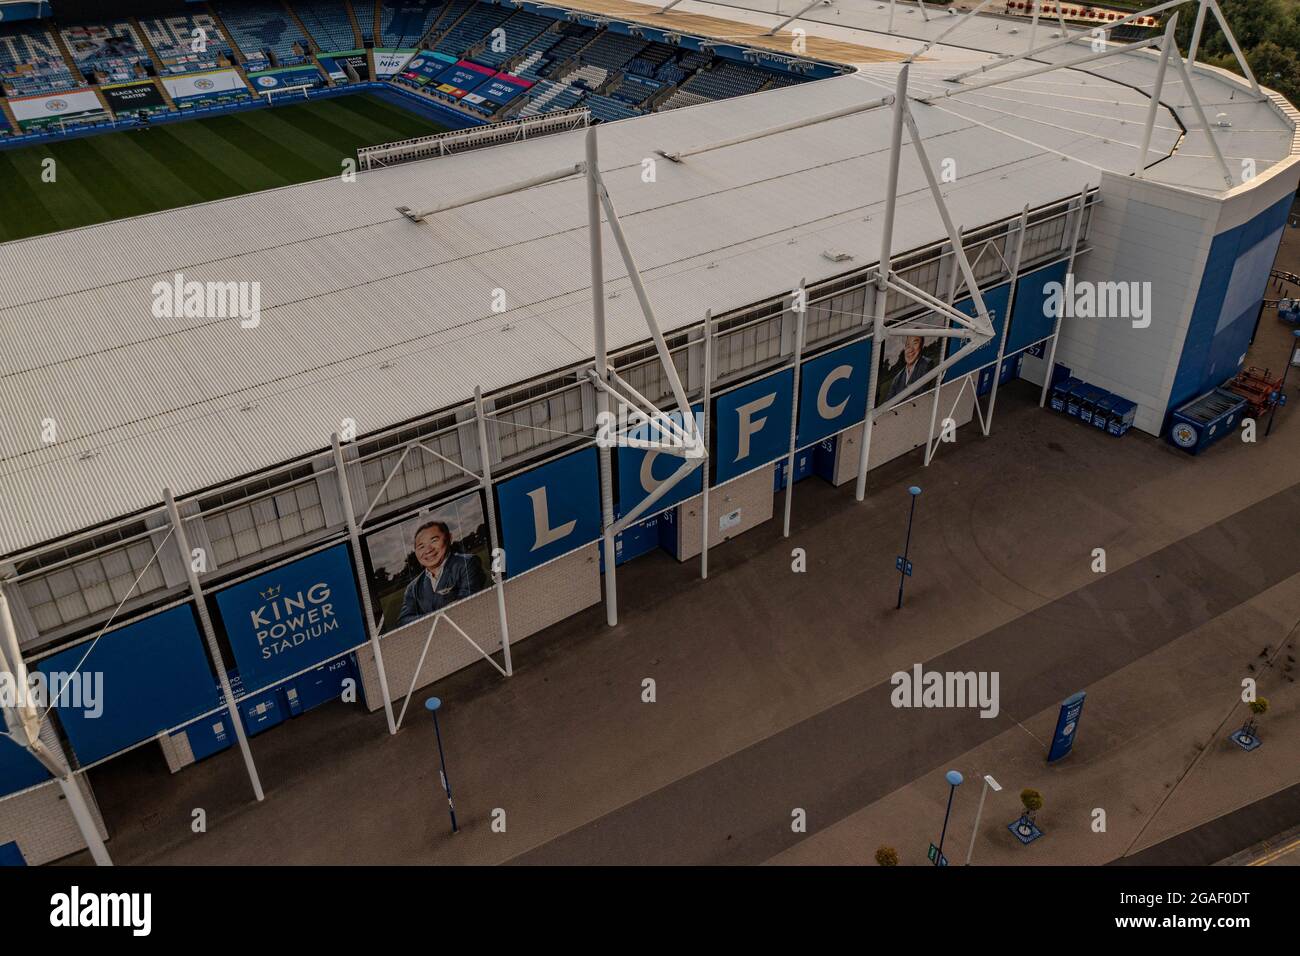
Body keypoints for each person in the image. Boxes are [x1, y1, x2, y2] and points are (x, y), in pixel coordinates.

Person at [396, 520, 487, 627]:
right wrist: (439, 615)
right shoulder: (413, 587)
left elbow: (466, 603)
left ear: (449, 538)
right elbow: (403, 620)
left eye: (434, 540)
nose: (428, 550)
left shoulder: (467, 563)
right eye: (421, 546)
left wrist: (426, 619)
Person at [886, 335, 935, 400]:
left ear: (921, 346)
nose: (910, 350)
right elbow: (888, 403)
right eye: (907, 345)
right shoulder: (897, 379)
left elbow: (919, 395)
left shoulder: (927, 364)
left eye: (915, 343)